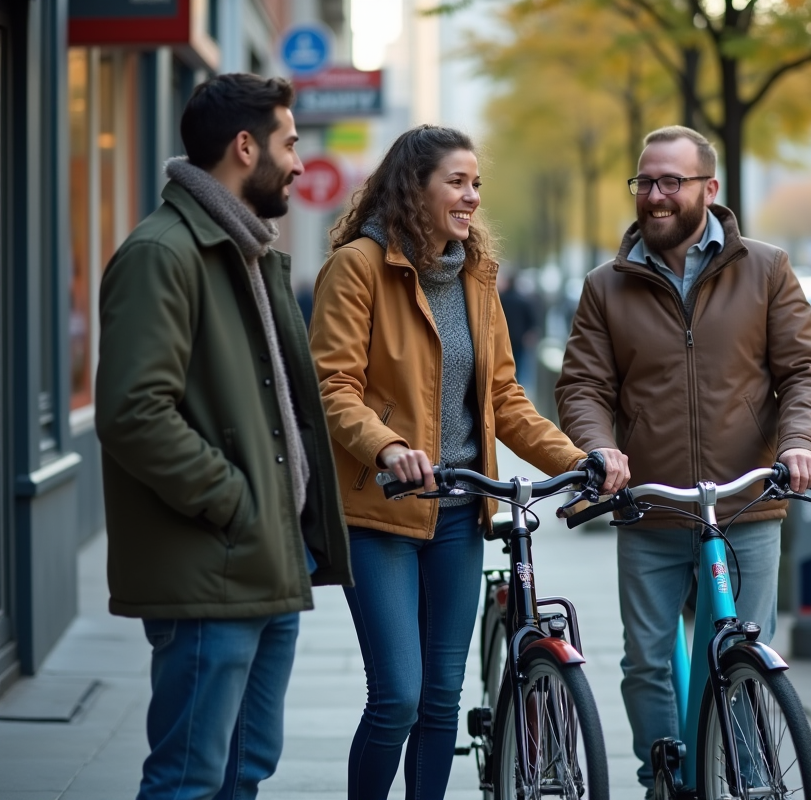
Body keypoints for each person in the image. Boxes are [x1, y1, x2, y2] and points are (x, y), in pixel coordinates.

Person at [307, 124, 628, 800]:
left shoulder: (476, 276)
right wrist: (389, 447)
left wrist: (582, 458)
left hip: (456, 515)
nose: (472, 196)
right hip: (380, 511)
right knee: (397, 694)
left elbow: (505, 399)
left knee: (441, 698)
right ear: (413, 187)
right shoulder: (359, 266)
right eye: (457, 181)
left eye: (476, 183)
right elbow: (330, 387)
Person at [554, 125, 811, 796]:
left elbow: (805, 373)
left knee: (736, 651)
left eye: (670, 182)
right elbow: (583, 386)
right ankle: (667, 777)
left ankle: (741, 776)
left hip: (744, 501)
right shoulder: (606, 285)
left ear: (709, 189)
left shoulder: (766, 269)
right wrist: (599, 447)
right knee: (647, 661)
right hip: (649, 503)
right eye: (645, 181)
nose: (654, 195)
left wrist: (799, 444)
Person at [94, 73, 352, 800]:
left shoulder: (246, 252)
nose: (300, 162)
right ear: (246, 147)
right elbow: (133, 412)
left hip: (267, 562)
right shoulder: (164, 253)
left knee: (243, 773)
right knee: (188, 779)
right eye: (290, 143)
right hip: (213, 568)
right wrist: (235, 500)